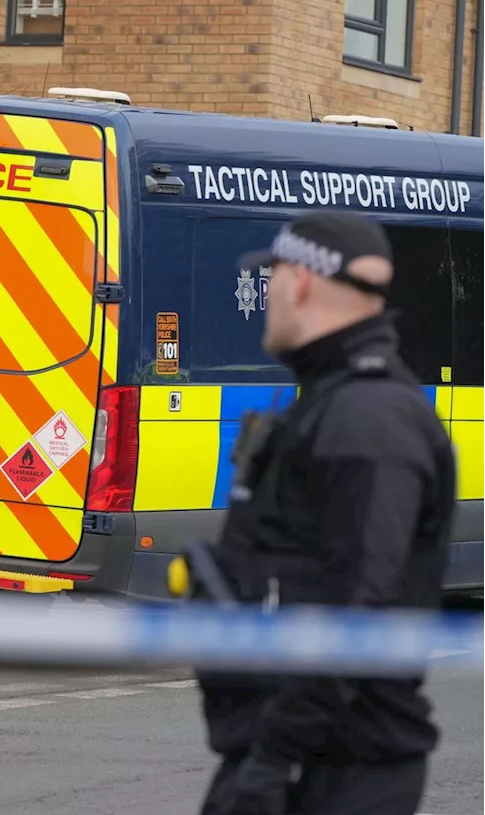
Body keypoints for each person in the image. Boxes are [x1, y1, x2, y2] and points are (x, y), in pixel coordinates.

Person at [193, 211, 457, 815]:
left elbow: (360, 607)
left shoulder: (367, 418)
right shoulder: (332, 402)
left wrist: (274, 761)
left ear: (301, 283)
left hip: (327, 771)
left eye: (273, 278)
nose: (267, 297)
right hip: (301, 759)